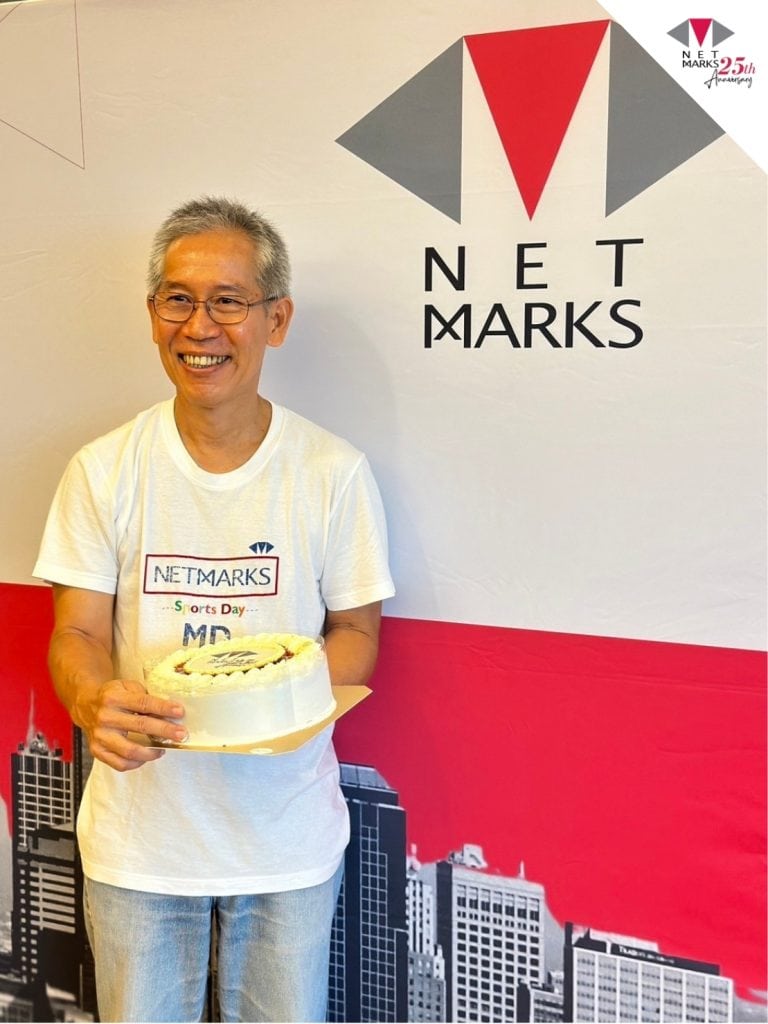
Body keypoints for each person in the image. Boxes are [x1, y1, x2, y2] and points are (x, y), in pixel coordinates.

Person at [33, 196, 395, 1023]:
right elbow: (77, 631)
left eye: (228, 301)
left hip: (287, 840)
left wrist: (265, 702)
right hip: (141, 844)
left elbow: (356, 633)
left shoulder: (331, 472)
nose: (200, 327)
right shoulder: (103, 469)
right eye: (179, 299)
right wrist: (92, 699)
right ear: (153, 314)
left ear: (276, 319)